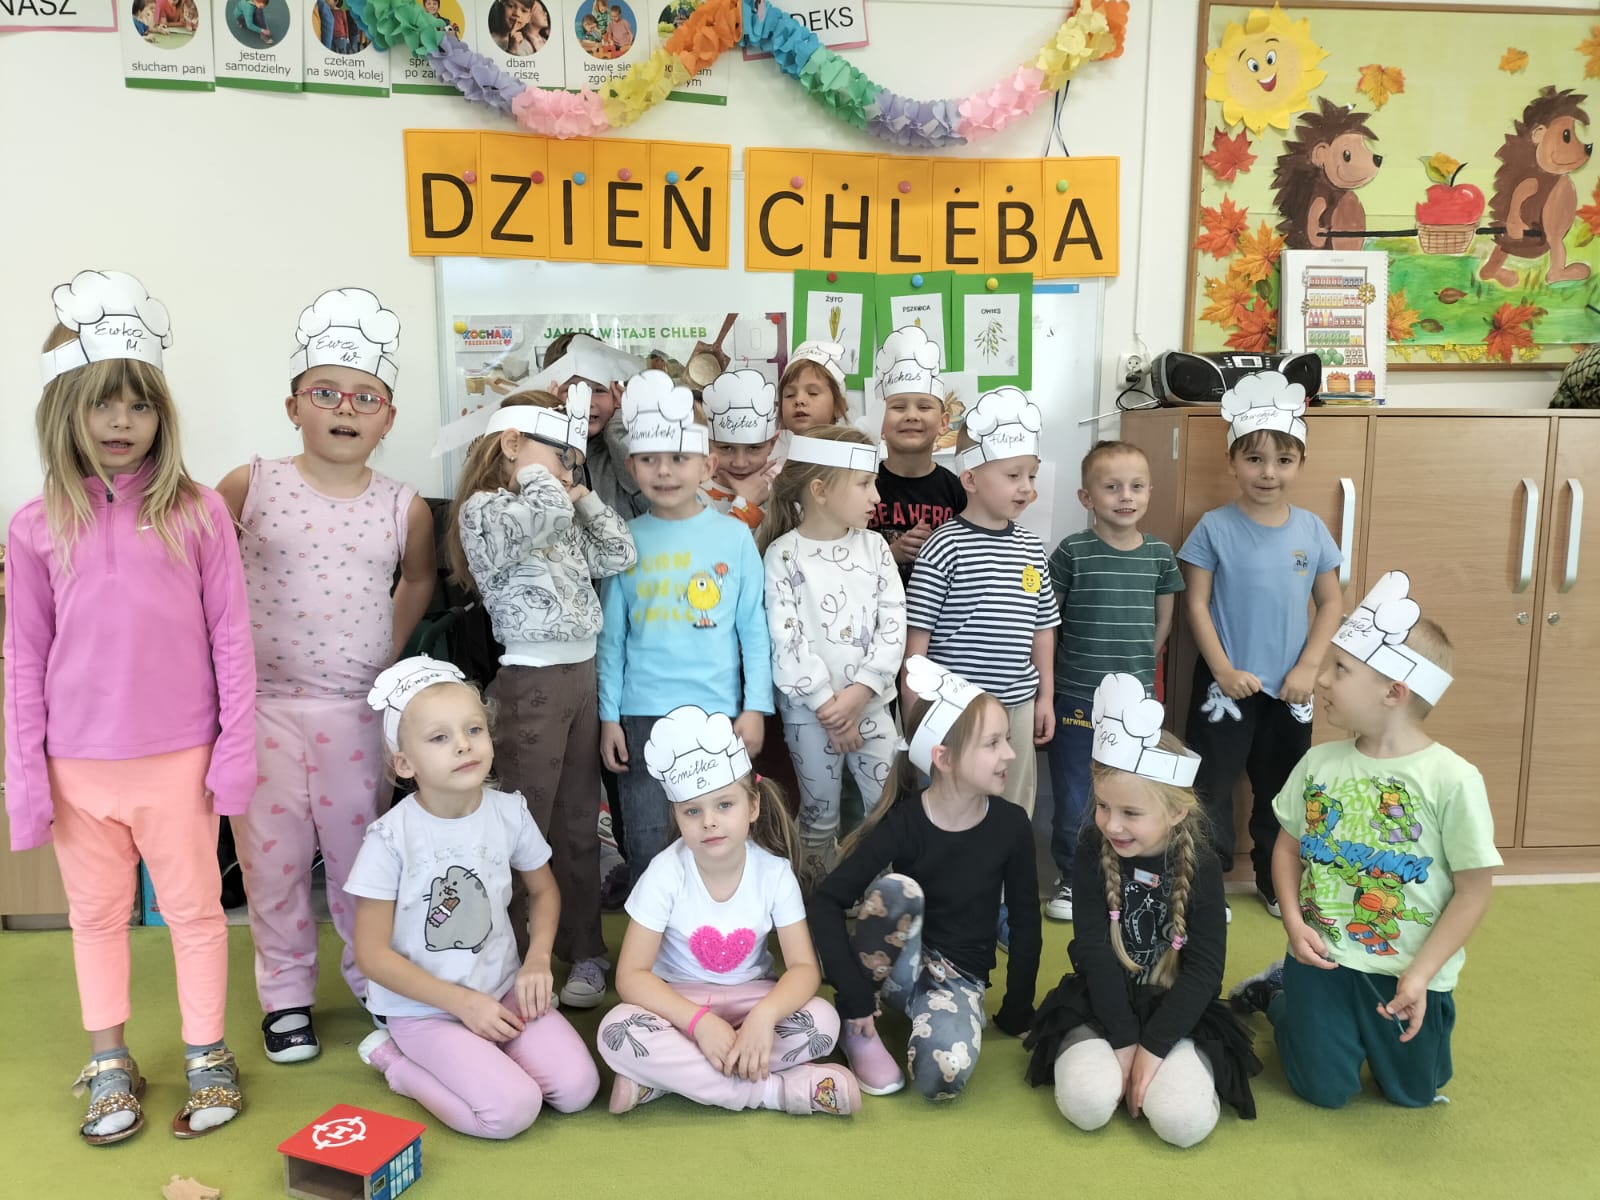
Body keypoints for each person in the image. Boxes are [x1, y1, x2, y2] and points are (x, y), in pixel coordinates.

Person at [6, 270, 254, 1144]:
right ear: (64, 410)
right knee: (96, 918)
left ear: (160, 414)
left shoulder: (197, 513)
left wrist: (235, 751)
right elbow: (22, 658)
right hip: (77, 768)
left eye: (139, 404)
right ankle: (109, 1060)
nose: (122, 422)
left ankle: (207, 1051)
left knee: (194, 913)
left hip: (179, 761)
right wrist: (26, 778)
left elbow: (232, 639)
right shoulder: (35, 525)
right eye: (102, 403)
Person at [216, 288, 435, 1064]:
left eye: (365, 397)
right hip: (264, 710)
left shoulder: (404, 506)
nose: (346, 408)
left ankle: (376, 979)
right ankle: (284, 997)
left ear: (388, 417)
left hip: (355, 713)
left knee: (361, 863)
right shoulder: (249, 485)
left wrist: (387, 649)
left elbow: (418, 579)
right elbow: (205, 575)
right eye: (326, 393)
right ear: (294, 406)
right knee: (270, 864)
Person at [1230, 572, 1499, 1109]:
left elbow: (1473, 892)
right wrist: (1294, 922)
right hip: (1323, 962)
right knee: (1322, 1091)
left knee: (1415, 1093)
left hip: (1409, 974)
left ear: (1394, 692)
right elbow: (1287, 848)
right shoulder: (1318, 764)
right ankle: (1279, 994)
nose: (1322, 680)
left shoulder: (1453, 780)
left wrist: (1420, 975)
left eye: (1340, 669)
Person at [349, 659, 601, 1138]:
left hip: (502, 989)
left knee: (577, 1090)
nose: (463, 744)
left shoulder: (509, 812)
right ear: (405, 763)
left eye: (473, 729)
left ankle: (485, 1056)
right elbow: (372, 955)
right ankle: (396, 1064)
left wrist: (537, 962)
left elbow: (544, 891)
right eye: (439, 738)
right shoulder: (390, 839)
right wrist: (462, 1003)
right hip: (424, 1012)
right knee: (511, 1112)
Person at [447, 387, 637, 1009]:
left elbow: (620, 553)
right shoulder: (485, 510)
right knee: (522, 824)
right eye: (559, 454)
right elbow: (542, 517)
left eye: (573, 459)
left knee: (578, 824)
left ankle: (584, 950)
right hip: (531, 683)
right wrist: (546, 481)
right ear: (511, 443)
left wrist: (583, 496)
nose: (567, 469)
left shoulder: (558, 507)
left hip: (581, 678)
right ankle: (513, 956)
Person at [1023, 675, 1258, 1147]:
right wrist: (1124, 1039)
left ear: (1176, 812)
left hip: (1178, 1006)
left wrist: (1154, 1046)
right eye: (1103, 806)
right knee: (1088, 1104)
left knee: (1181, 1122)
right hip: (1102, 1001)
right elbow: (1094, 951)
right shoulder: (1092, 848)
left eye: (1131, 813)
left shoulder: (1202, 863)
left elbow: (1205, 969)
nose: (1111, 824)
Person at [595, 707, 859, 1116]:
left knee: (823, 1023)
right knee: (615, 1030)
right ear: (676, 815)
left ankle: (666, 1079)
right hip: (678, 1003)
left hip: (752, 998)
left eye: (724, 805)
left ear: (752, 807)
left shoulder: (774, 874)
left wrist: (764, 1017)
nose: (709, 822)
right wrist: (699, 1023)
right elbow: (631, 976)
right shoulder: (664, 873)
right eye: (692, 811)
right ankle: (776, 1092)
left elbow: (804, 968)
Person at [808, 658, 1040, 1100]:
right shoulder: (905, 821)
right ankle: (857, 1028)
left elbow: (1027, 922)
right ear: (944, 758)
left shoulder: (1012, 826)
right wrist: (854, 994)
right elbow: (826, 901)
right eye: (993, 743)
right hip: (896, 967)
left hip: (957, 981)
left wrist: (1017, 1010)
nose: (1009, 754)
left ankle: (927, 1020)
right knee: (899, 891)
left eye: (1006, 740)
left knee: (941, 1080)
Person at [1179, 372, 1342, 917]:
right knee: (1211, 785)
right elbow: (1196, 605)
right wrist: (1223, 670)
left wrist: (1309, 667)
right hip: (1225, 687)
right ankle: (1206, 888)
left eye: (1283, 460)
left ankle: (1277, 882)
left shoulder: (1312, 530)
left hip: (1291, 688)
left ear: (1299, 464)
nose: (1268, 472)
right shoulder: (1213, 528)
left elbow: (1331, 603)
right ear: (1232, 462)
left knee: (1284, 787)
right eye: (1254, 459)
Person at [599, 371, 772, 882]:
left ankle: (721, 924)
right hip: (641, 715)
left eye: (678, 458)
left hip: (719, 714)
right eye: (649, 459)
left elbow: (753, 630)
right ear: (631, 466)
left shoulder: (734, 538)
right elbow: (612, 640)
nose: (664, 471)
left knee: (720, 835)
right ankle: (653, 928)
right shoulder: (625, 539)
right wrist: (609, 717)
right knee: (648, 835)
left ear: (707, 465)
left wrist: (756, 707)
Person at [1043, 441, 1184, 922]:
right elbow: (1049, 620)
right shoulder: (1072, 551)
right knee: (1074, 792)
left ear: (1149, 492)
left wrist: (1140, 670)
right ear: (1087, 497)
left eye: (1137, 486)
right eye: (1112, 487)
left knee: (1132, 791)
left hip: (1136, 703)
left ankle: (1125, 875)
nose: (1126, 496)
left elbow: (1163, 621)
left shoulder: (1160, 555)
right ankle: (1072, 876)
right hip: (1076, 695)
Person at [904, 373, 1057, 818]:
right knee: (952, 805)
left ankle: (1009, 866)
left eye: (1031, 475)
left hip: (1018, 704)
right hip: (957, 709)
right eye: (1013, 475)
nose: (1027, 487)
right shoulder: (944, 546)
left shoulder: (1032, 548)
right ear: (970, 478)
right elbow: (918, 641)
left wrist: (1045, 697)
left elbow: (1043, 628)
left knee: (1013, 806)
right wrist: (914, 715)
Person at [760, 427, 903, 886]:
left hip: (872, 708)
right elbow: (786, 640)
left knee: (886, 811)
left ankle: (880, 897)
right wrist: (828, 707)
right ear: (820, 491)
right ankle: (817, 900)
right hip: (810, 716)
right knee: (819, 816)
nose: (876, 496)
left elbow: (893, 626)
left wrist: (859, 695)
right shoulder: (783, 555)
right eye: (864, 484)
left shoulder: (876, 548)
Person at [869, 360, 965, 586]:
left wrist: (936, 549)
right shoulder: (862, 485)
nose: (911, 415)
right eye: (898, 407)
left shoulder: (958, 491)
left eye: (924, 407)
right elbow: (843, 554)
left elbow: (968, 559)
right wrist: (891, 554)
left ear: (943, 423)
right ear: (879, 423)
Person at [699, 368, 780, 532]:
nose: (740, 463)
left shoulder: (781, 494)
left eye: (754, 448)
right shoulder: (695, 500)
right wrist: (746, 506)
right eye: (726, 448)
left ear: (772, 444)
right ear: (707, 444)